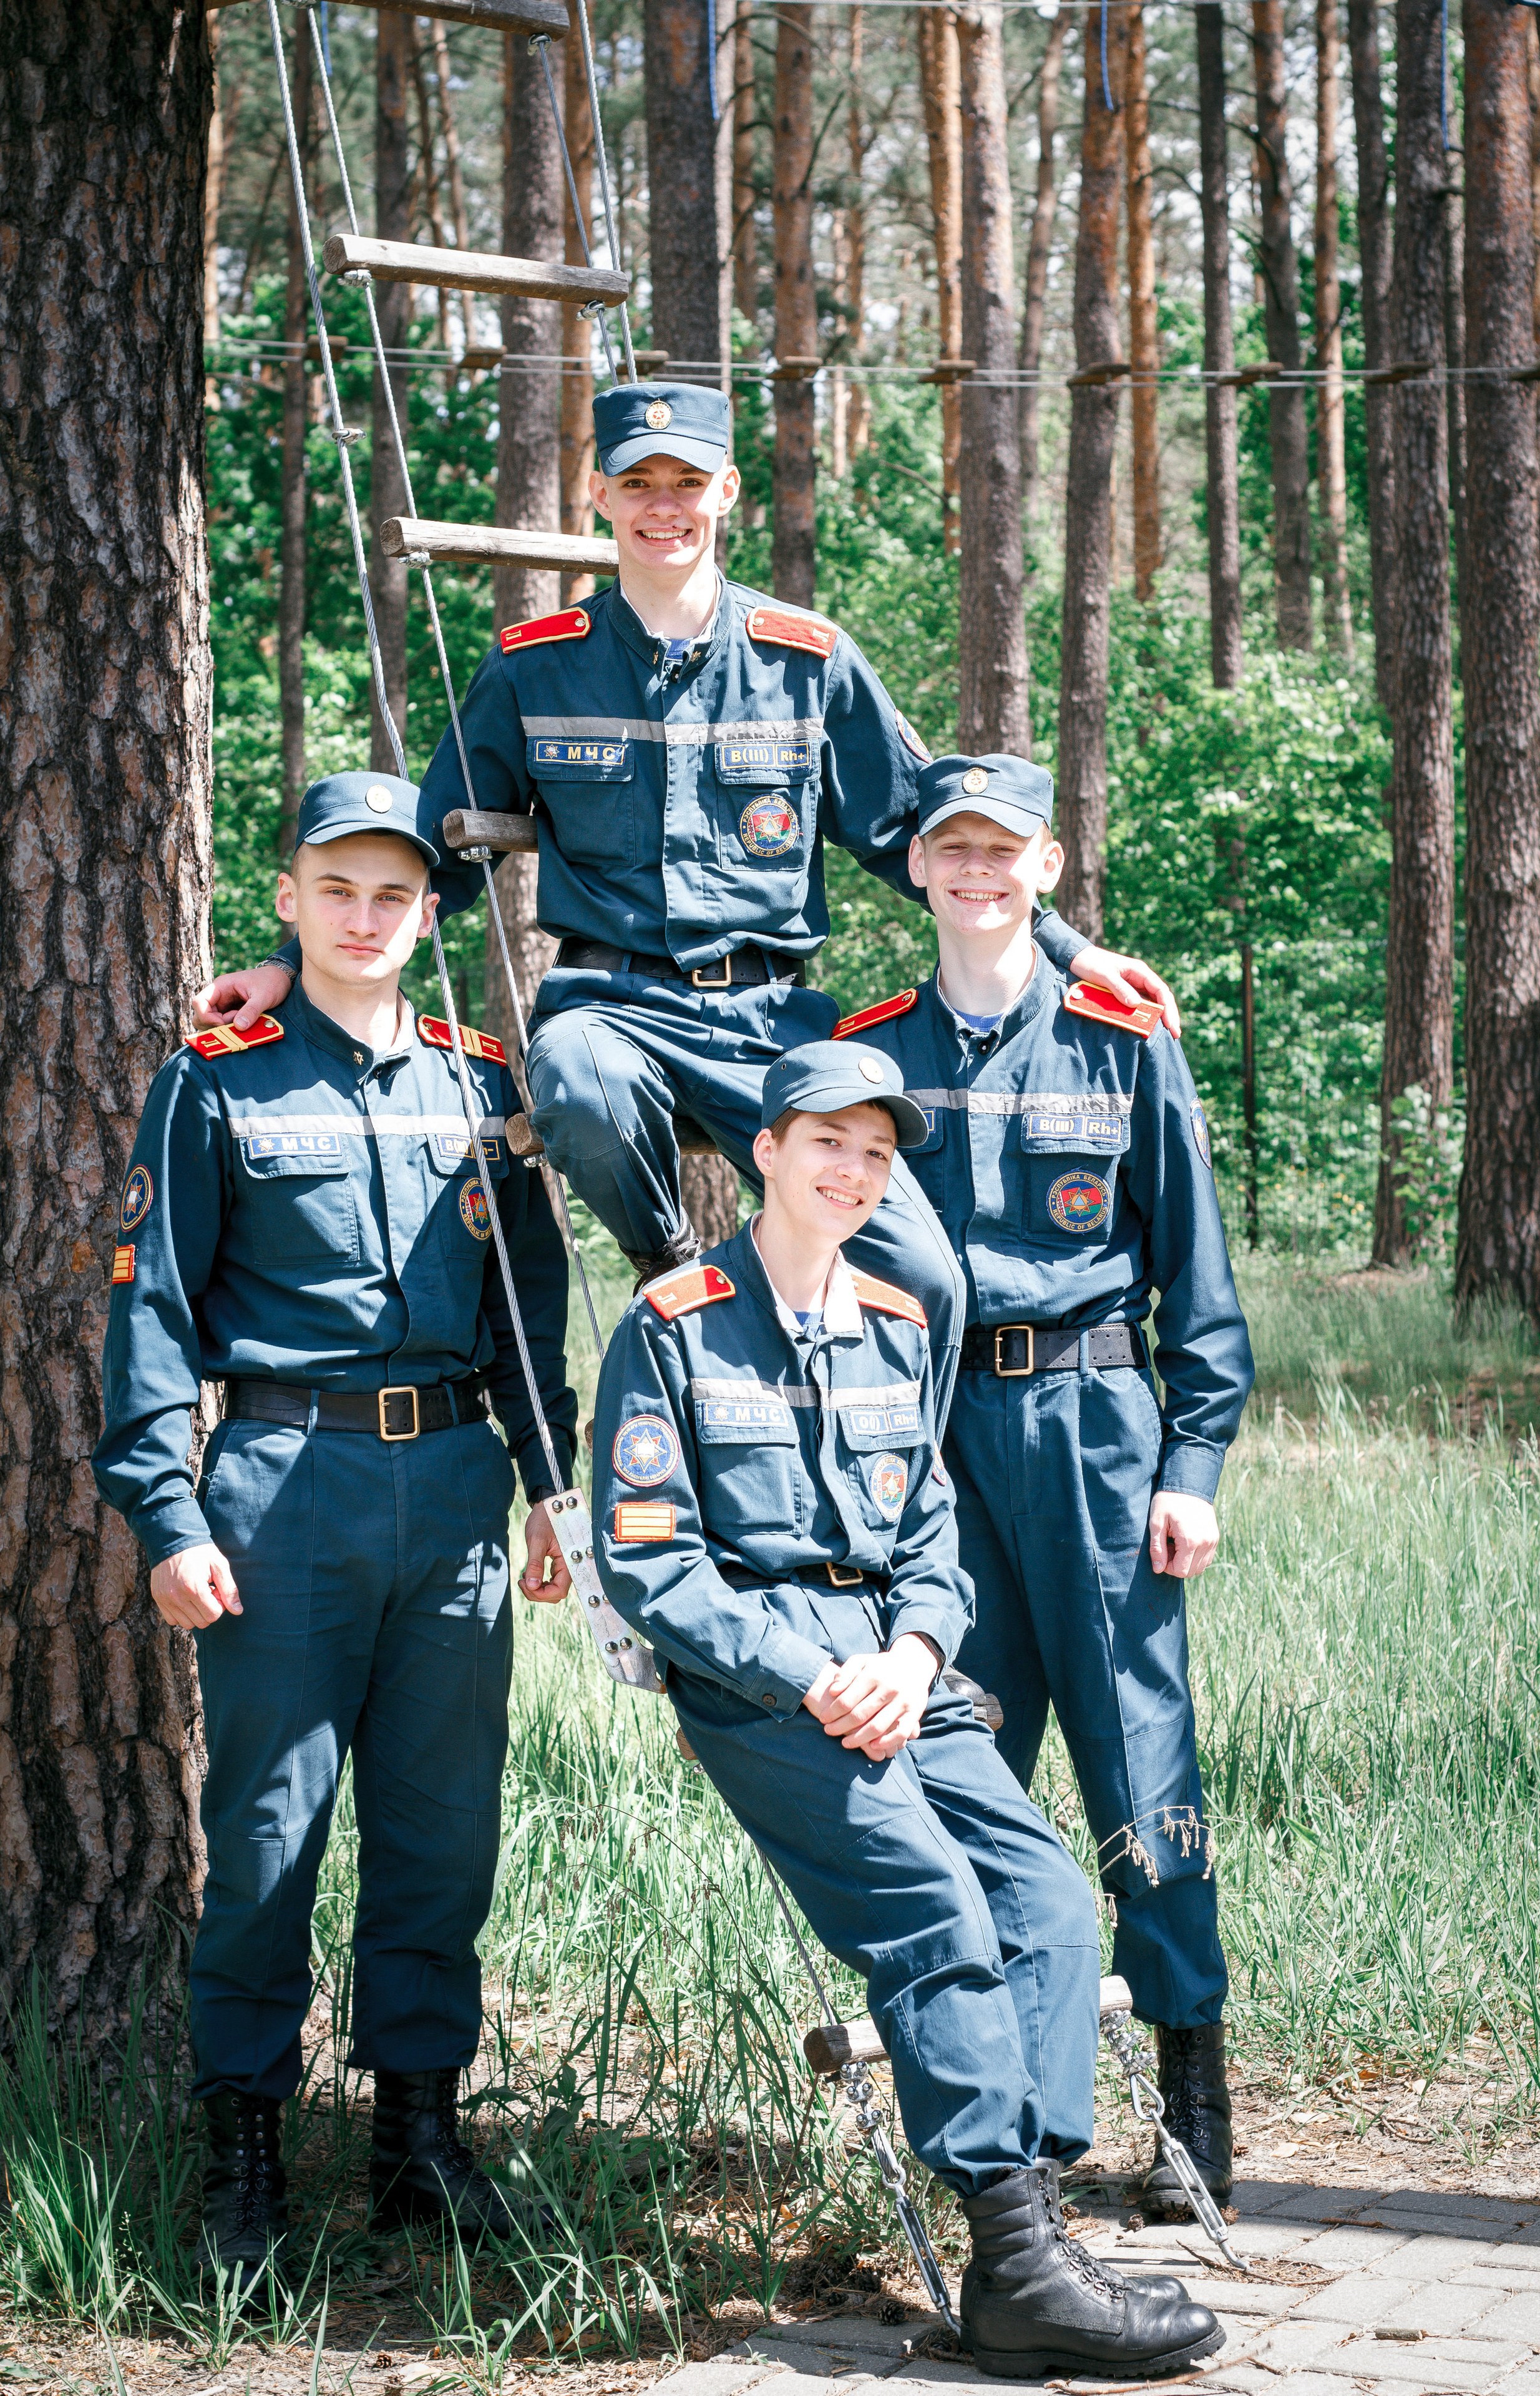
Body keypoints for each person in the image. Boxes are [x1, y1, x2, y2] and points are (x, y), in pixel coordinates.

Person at [192, 381, 1179, 1431]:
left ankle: (905, 1481)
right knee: (577, 1084)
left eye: (688, 483)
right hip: (608, 1006)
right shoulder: (536, 667)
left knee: (925, 1272)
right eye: (639, 484)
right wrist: (290, 966)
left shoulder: (808, 661)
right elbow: (435, 854)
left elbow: (921, 841)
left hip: (772, 1024)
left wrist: (1067, 950)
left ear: (728, 491)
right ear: (599, 495)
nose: (664, 506)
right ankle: (682, 1282)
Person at [587, 1042, 1226, 2380]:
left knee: (1048, 1899)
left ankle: (1025, 2241)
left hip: (903, 1673)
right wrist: (810, 1673)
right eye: (828, 1141)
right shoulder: (673, 1324)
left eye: (877, 1152)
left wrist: (922, 1652)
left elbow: (932, 1534)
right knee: (935, 1910)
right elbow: (651, 1562)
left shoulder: (896, 1320)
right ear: (765, 1150)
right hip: (766, 1686)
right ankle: (1020, 2257)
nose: (854, 1169)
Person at [93, 772, 579, 2284]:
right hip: (280, 1488)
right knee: (264, 1836)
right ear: (288, 899)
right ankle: (243, 2152)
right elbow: (152, 1311)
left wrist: (553, 1485)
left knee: (441, 1832)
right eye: (336, 889)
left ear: (426, 913)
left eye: (392, 894)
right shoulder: (216, 1079)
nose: (364, 918)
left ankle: (418, 2141)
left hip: (455, 1494)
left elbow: (527, 1310)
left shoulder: (480, 1084)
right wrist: (166, 1511)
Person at [841, 754, 1255, 2203]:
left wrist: (1190, 1463)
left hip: (1093, 1428)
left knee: (1139, 1758)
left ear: (1046, 867)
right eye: (950, 847)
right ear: (914, 865)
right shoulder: (871, 1052)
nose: (975, 871)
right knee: (958, 1765)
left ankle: (1190, 2102)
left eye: (1000, 849)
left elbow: (1196, 1277)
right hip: (934, 1445)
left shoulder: (1120, 1040)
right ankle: (1000, 2118)